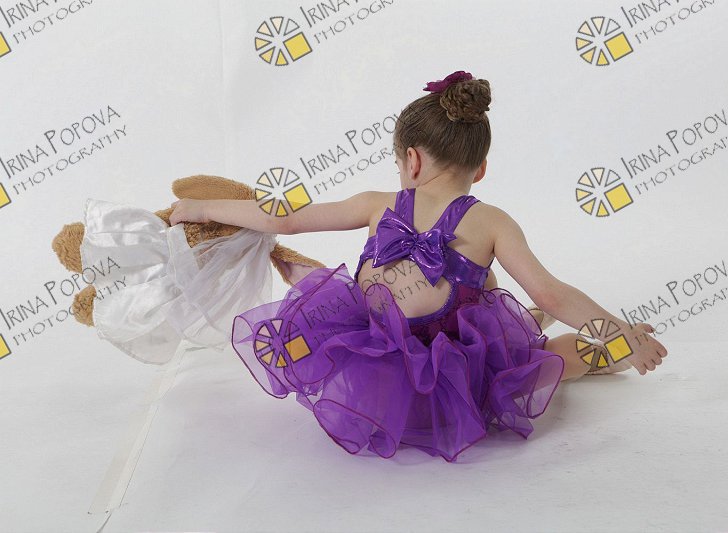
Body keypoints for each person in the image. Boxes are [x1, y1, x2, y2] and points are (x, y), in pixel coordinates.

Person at [170, 70, 668, 462]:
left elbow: (286, 219)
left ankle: (540, 331)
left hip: (390, 381)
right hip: (444, 378)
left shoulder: (376, 204)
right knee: (543, 359)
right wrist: (617, 326)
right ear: (481, 168)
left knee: (492, 309)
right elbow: (551, 293)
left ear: (410, 161)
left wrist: (203, 208)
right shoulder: (491, 221)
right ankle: (612, 347)